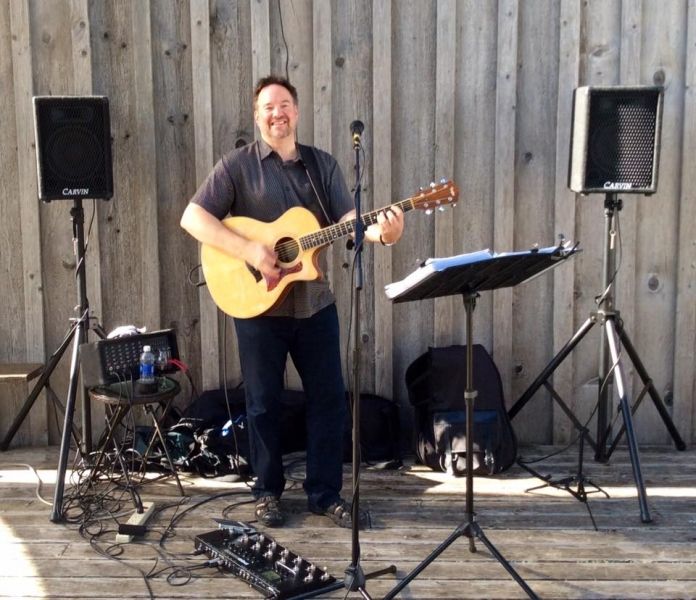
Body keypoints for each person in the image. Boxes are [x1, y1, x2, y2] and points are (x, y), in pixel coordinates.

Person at [180, 75, 404, 528]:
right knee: (262, 404)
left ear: (297, 112)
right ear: (257, 116)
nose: (277, 113)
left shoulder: (322, 166)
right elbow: (193, 217)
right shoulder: (236, 167)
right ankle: (267, 492)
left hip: (314, 304)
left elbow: (348, 219)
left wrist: (382, 233)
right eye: (268, 107)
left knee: (329, 400)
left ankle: (324, 493)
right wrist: (250, 251)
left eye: (284, 104)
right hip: (258, 307)